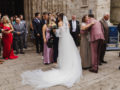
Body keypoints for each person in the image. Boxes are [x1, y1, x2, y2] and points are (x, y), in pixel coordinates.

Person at [21, 13, 82, 89]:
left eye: (58, 17)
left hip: (63, 39)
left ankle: (65, 66)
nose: (57, 18)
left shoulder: (59, 23)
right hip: (68, 39)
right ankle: (70, 65)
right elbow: (67, 30)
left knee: (63, 52)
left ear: (60, 17)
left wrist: (55, 30)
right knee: (68, 52)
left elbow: (59, 33)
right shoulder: (67, 23)